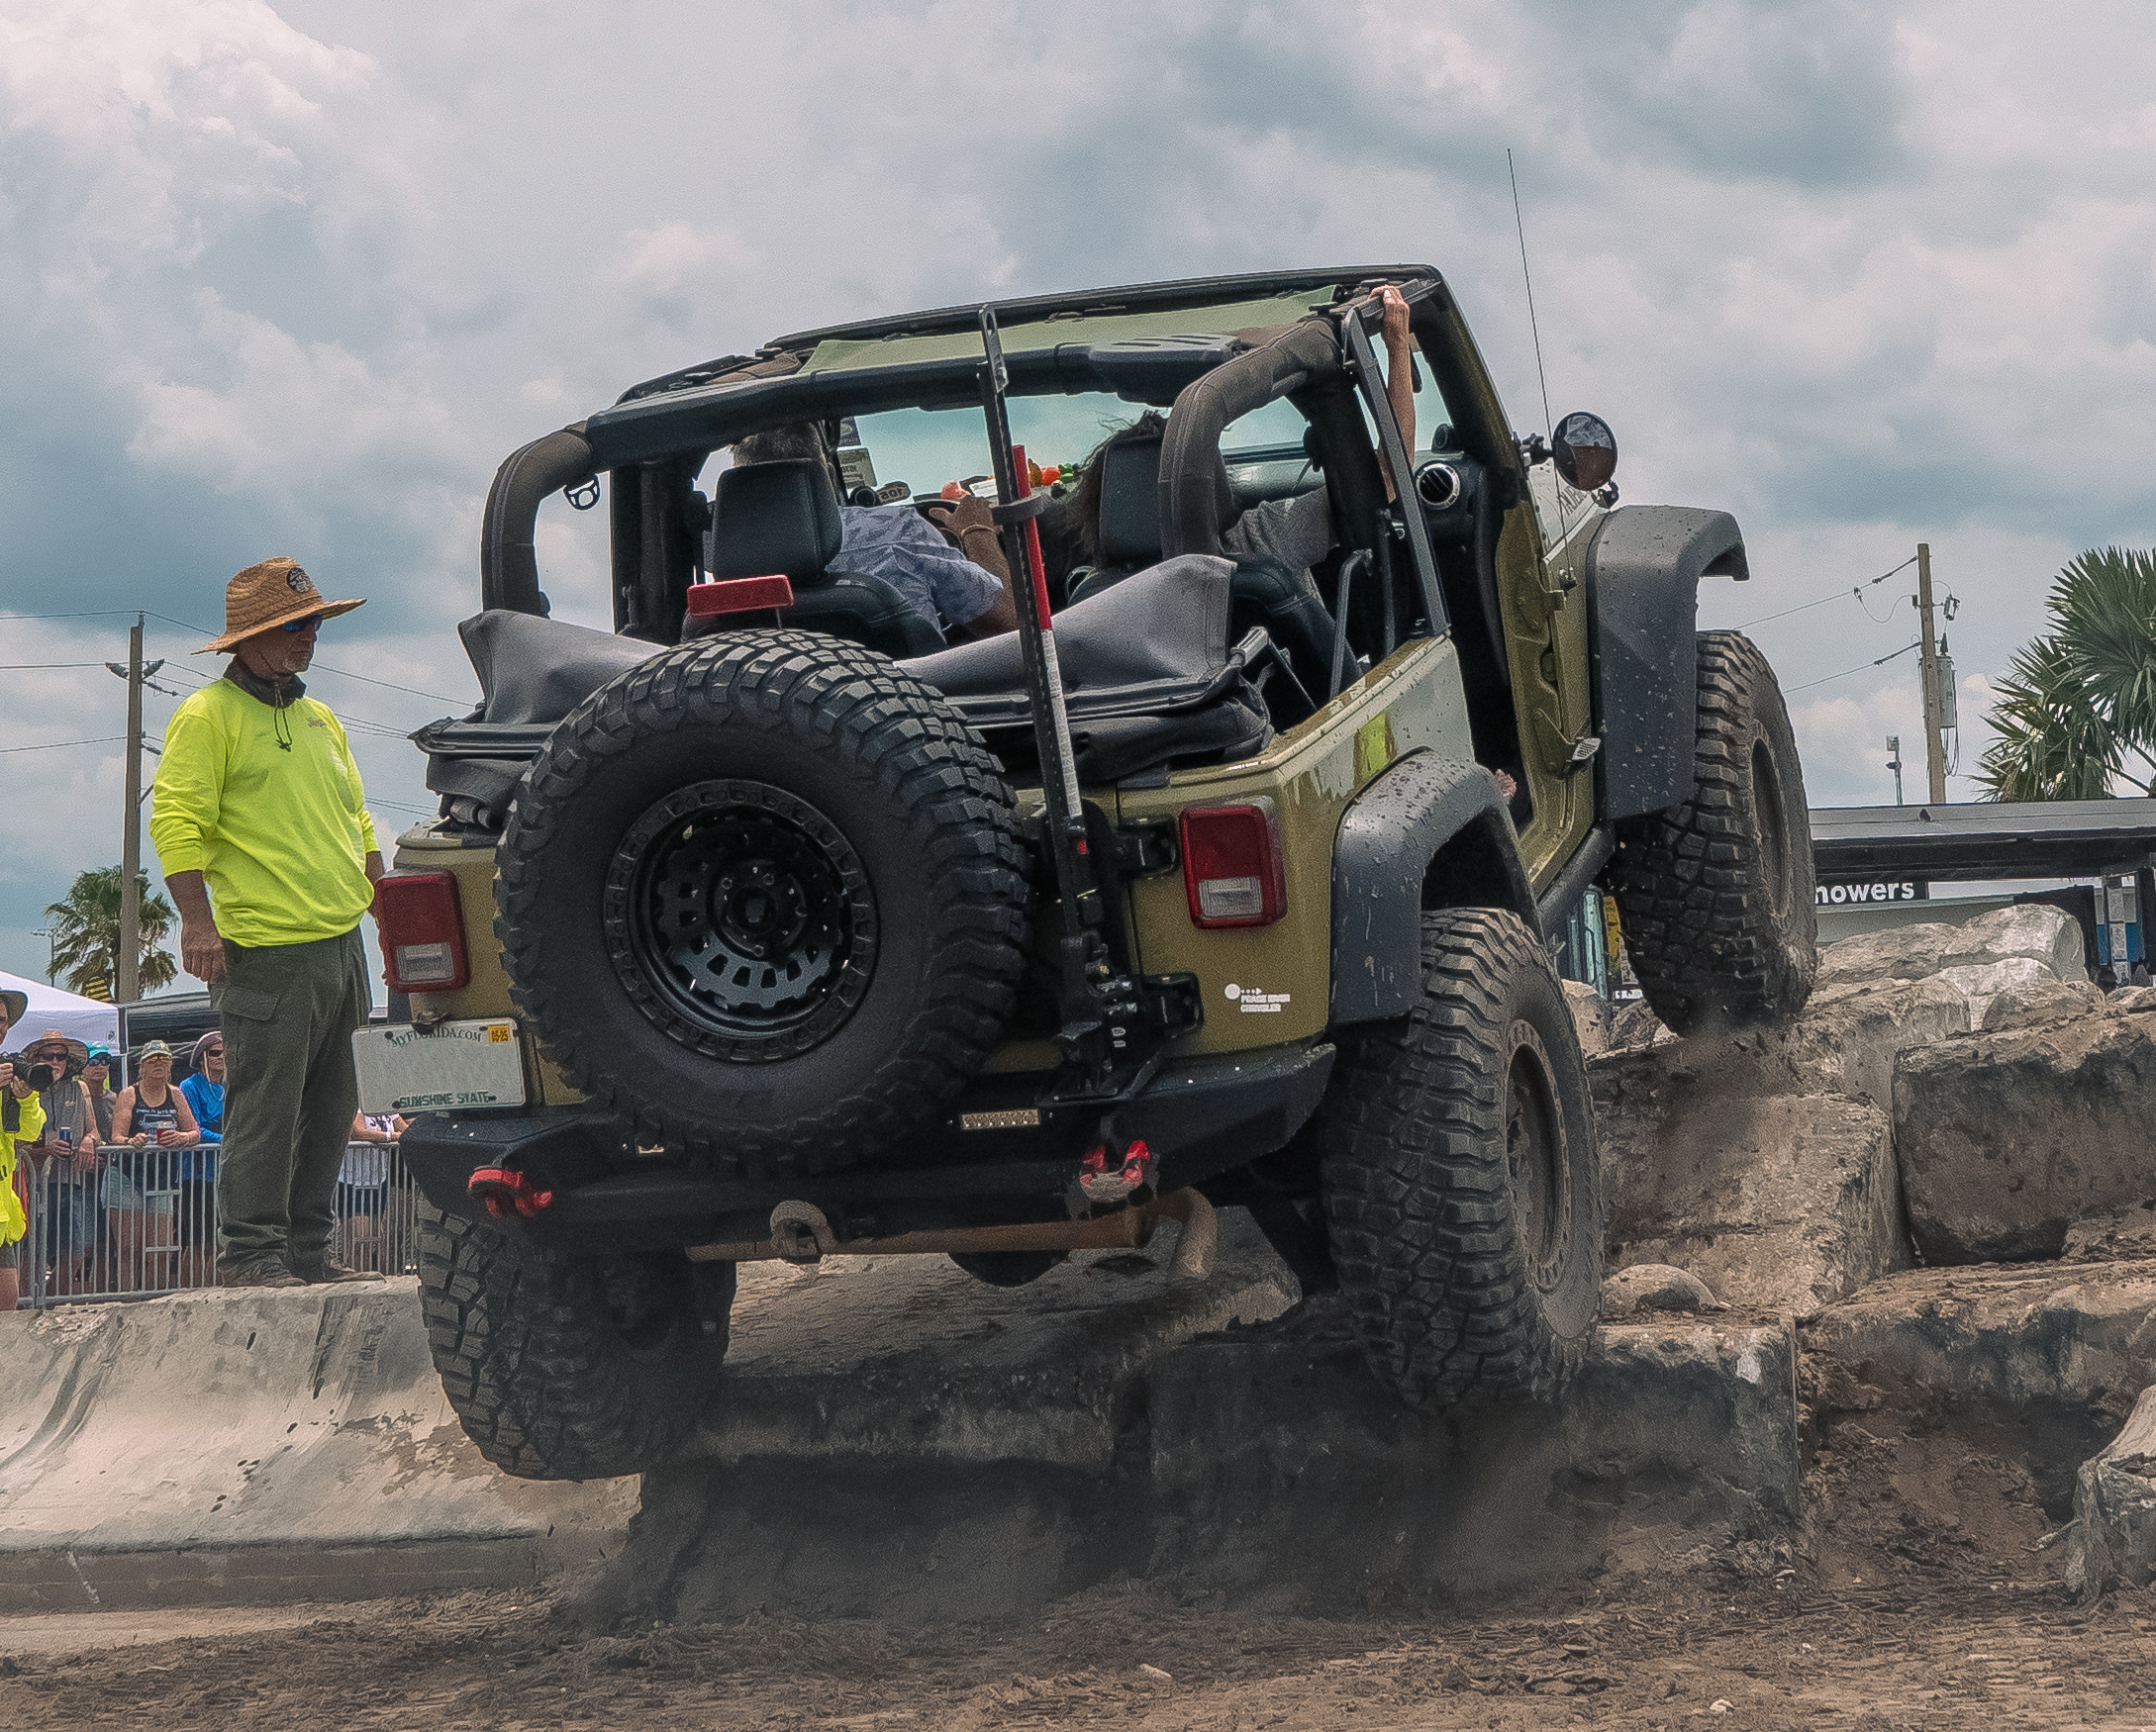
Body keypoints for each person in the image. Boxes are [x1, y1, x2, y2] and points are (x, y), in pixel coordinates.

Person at [149, 556, 385, 1290]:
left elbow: (357, 819)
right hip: (266, 948)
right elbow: (176, 821)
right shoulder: (207, 715)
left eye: (314, 622)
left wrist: (385, 905)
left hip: (342, 944)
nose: (310, 635)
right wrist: (197, 923)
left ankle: (308, 1252)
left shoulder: (321, 719)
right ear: (249, 637)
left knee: (333, 1106)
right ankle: (251, 1254)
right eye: (295, 625)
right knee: (266, 1110)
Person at [728, 426, 1019, 641]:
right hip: (916, 700)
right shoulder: (898, 530)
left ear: (740, 489)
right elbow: (1011, 626)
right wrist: (976, 531)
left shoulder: (730, 572)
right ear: (828, 475)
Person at [112, 1040, 200, 1293]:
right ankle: (128, 1299)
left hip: (162, 1176)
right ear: (142, 1067)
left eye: (163, 1060)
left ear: (170, 1065)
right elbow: (116, 1136)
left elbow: (195, 1132)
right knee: (129, 1247)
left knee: (162, 1248)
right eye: (152, 1060)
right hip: (127, 1173)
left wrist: (182, 1138)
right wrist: (131, 1141)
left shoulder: (176, 1094)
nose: (158, 1064)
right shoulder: (129, 1094)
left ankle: (156, 1299)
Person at [21, 1030, 101, 1296]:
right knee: (32, 1251)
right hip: (33, 1183)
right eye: (48, 1055)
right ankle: (28, 1304)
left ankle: (50, 1301)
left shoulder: (79, 1088)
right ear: (36, 1058)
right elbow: (16, 1141)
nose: (55, 1061)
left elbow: (94, 1131)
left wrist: (89, 1140)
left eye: (61, 1056)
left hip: (70, 1180)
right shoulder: (26, 1089)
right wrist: (44, 1148)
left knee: (76, 1252)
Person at [175, 1032, 226, 1287]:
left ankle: (212, 1286)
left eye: (225, 1052)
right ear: (202, 1057)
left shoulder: (228, 1087)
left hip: (222, 1171)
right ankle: (190, 1289)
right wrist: (226, 1140)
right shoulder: (189, 1086)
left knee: (216, 1240)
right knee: (196, 1241)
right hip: (195, 1173)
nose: (222, 1057)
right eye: (215, 1052)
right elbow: (193, 1127)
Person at [0, 1047, 45, 1312]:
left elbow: (29, 1133)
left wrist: (26, 1099)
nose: (1, 1029)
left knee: (8, 1305)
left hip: (2, 1218)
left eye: (4, 1025)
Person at [341, 1110, 408, 1275]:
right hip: (353, 1178)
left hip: (378, 1177)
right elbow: (357, 1132)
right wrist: (391, 1136)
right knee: (359, 1236)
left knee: (375, 1235)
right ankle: (357, 1277)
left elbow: (404, 1131)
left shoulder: (386, 1108)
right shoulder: (358, 1105)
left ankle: (372, 1275)